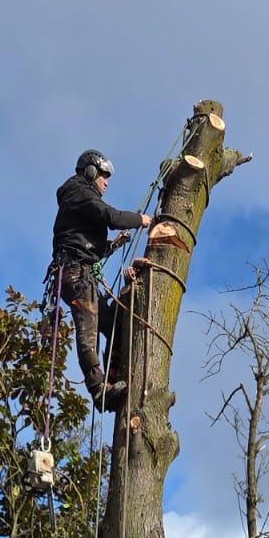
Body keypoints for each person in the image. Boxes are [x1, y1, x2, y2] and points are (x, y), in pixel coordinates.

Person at [52, 150, 152, 411]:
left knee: (117, 324)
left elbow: (87, 246)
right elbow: (109, 216)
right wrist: (139, 220)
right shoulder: (77, 192)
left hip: (83, 272)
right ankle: (99, 391)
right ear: (91, 172)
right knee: (89, 331)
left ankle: (114, 379)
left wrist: (113, 246)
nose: (106, 182)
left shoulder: (82, 199)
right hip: (74, 274)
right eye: (104, 176)